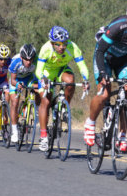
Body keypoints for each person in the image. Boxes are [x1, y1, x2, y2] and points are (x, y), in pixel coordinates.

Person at [36, 26, 89, 151]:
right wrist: (43, 79)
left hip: (61, 70)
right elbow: (38, 70)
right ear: (52, 43)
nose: (62, 47)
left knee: (70, 81)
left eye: (64, 44)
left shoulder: (72, 47)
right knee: (46, 101)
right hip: (47, 72)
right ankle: (43, 136)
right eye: (58, 44)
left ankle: (64, 107)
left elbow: (82, 65)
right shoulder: (46, 49)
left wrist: (85, 79)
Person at [84, 15, 127, 151]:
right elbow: (100, 52)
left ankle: (123, 133)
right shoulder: (118, 26)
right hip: (105, 57)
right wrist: (103, 73)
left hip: (123, 61)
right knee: (104, 93)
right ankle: (90, 123)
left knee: (125, 94)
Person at [9, 44, 39, 142]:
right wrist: (17, 84)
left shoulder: (37, 61)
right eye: (26, 60)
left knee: (38, 89)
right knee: (14, 102)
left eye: (31, 60)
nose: (29, 62)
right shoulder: (15, 62)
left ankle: (37, 110)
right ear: (22, 57)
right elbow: (12, 80)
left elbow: (40, 75)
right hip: (17, 80)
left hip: (29, 78)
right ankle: (14, 131)